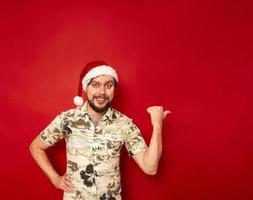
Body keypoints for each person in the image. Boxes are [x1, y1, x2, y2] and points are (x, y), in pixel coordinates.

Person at [29, 60, 171, 200]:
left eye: (108, 85)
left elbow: (150, 167)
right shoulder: (67, 119)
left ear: (114, 89)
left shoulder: (125, 124)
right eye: (95, 85)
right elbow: (36, 147)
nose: (102, 92)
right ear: (86, 88)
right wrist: (55, 179)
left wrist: (157, 125)